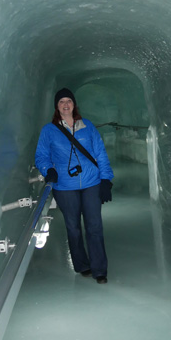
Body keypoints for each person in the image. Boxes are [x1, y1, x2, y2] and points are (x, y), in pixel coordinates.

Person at [35, 88, 114, 284]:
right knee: (73, 227)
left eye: (69, 100)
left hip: (91, 182)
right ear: (57, 106)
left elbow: (101, 153)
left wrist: (106, 179)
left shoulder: (87, 126)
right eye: (61, 101)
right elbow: (41, 156)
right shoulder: (49, 130)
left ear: (74, 104)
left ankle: (100, 270)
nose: (65, 104)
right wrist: (48, 170)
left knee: (94, 226)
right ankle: (81, 264)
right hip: (64, 185)